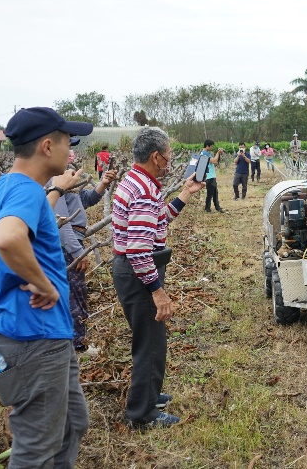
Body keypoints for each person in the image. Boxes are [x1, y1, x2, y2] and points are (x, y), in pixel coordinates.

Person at [0, 106, 92, 467]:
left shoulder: (5, 188)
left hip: (36, 335)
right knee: (36, 448)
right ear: (46, 146)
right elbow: (9, 237)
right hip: (35, 338)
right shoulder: (25, 191)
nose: (70, 150)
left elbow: (27, 216)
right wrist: (44, 284)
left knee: (74, 422)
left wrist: (56, 190)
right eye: (66, 142)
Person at [111, 126, 204, 429]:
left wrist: (186, 193)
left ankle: (149, 395)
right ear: (156, 156)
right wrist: (157, 291)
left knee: (149, 339)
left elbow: (158, 221)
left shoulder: (137, 182)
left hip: (132, 270)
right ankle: (142, 414)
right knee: (150, 344)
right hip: (139, 272)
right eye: (168, 155)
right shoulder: (143, 191)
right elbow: (139, 250)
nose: (170, 161)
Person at [54, 152, 117, 351]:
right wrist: (77, 252)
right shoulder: (55, 184)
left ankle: (72, 343)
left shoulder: (66, 184)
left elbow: (86, 200)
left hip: (73, 241)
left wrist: (104, 183)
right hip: (68, 245)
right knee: (74, 294)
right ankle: (77, 345)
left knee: (75, 293)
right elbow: (61, 223)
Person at [200, 139, 224, 213]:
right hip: (209, 176)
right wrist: (218, 153)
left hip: (211, 176)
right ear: (207, 146)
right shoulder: (205, 153)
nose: (212, 147)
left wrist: (219, 154)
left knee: (214, 193)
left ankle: (217, 207)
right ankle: (208, 208)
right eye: (211, 146)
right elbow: (214, 161)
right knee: (210, 193)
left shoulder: (206, 153)